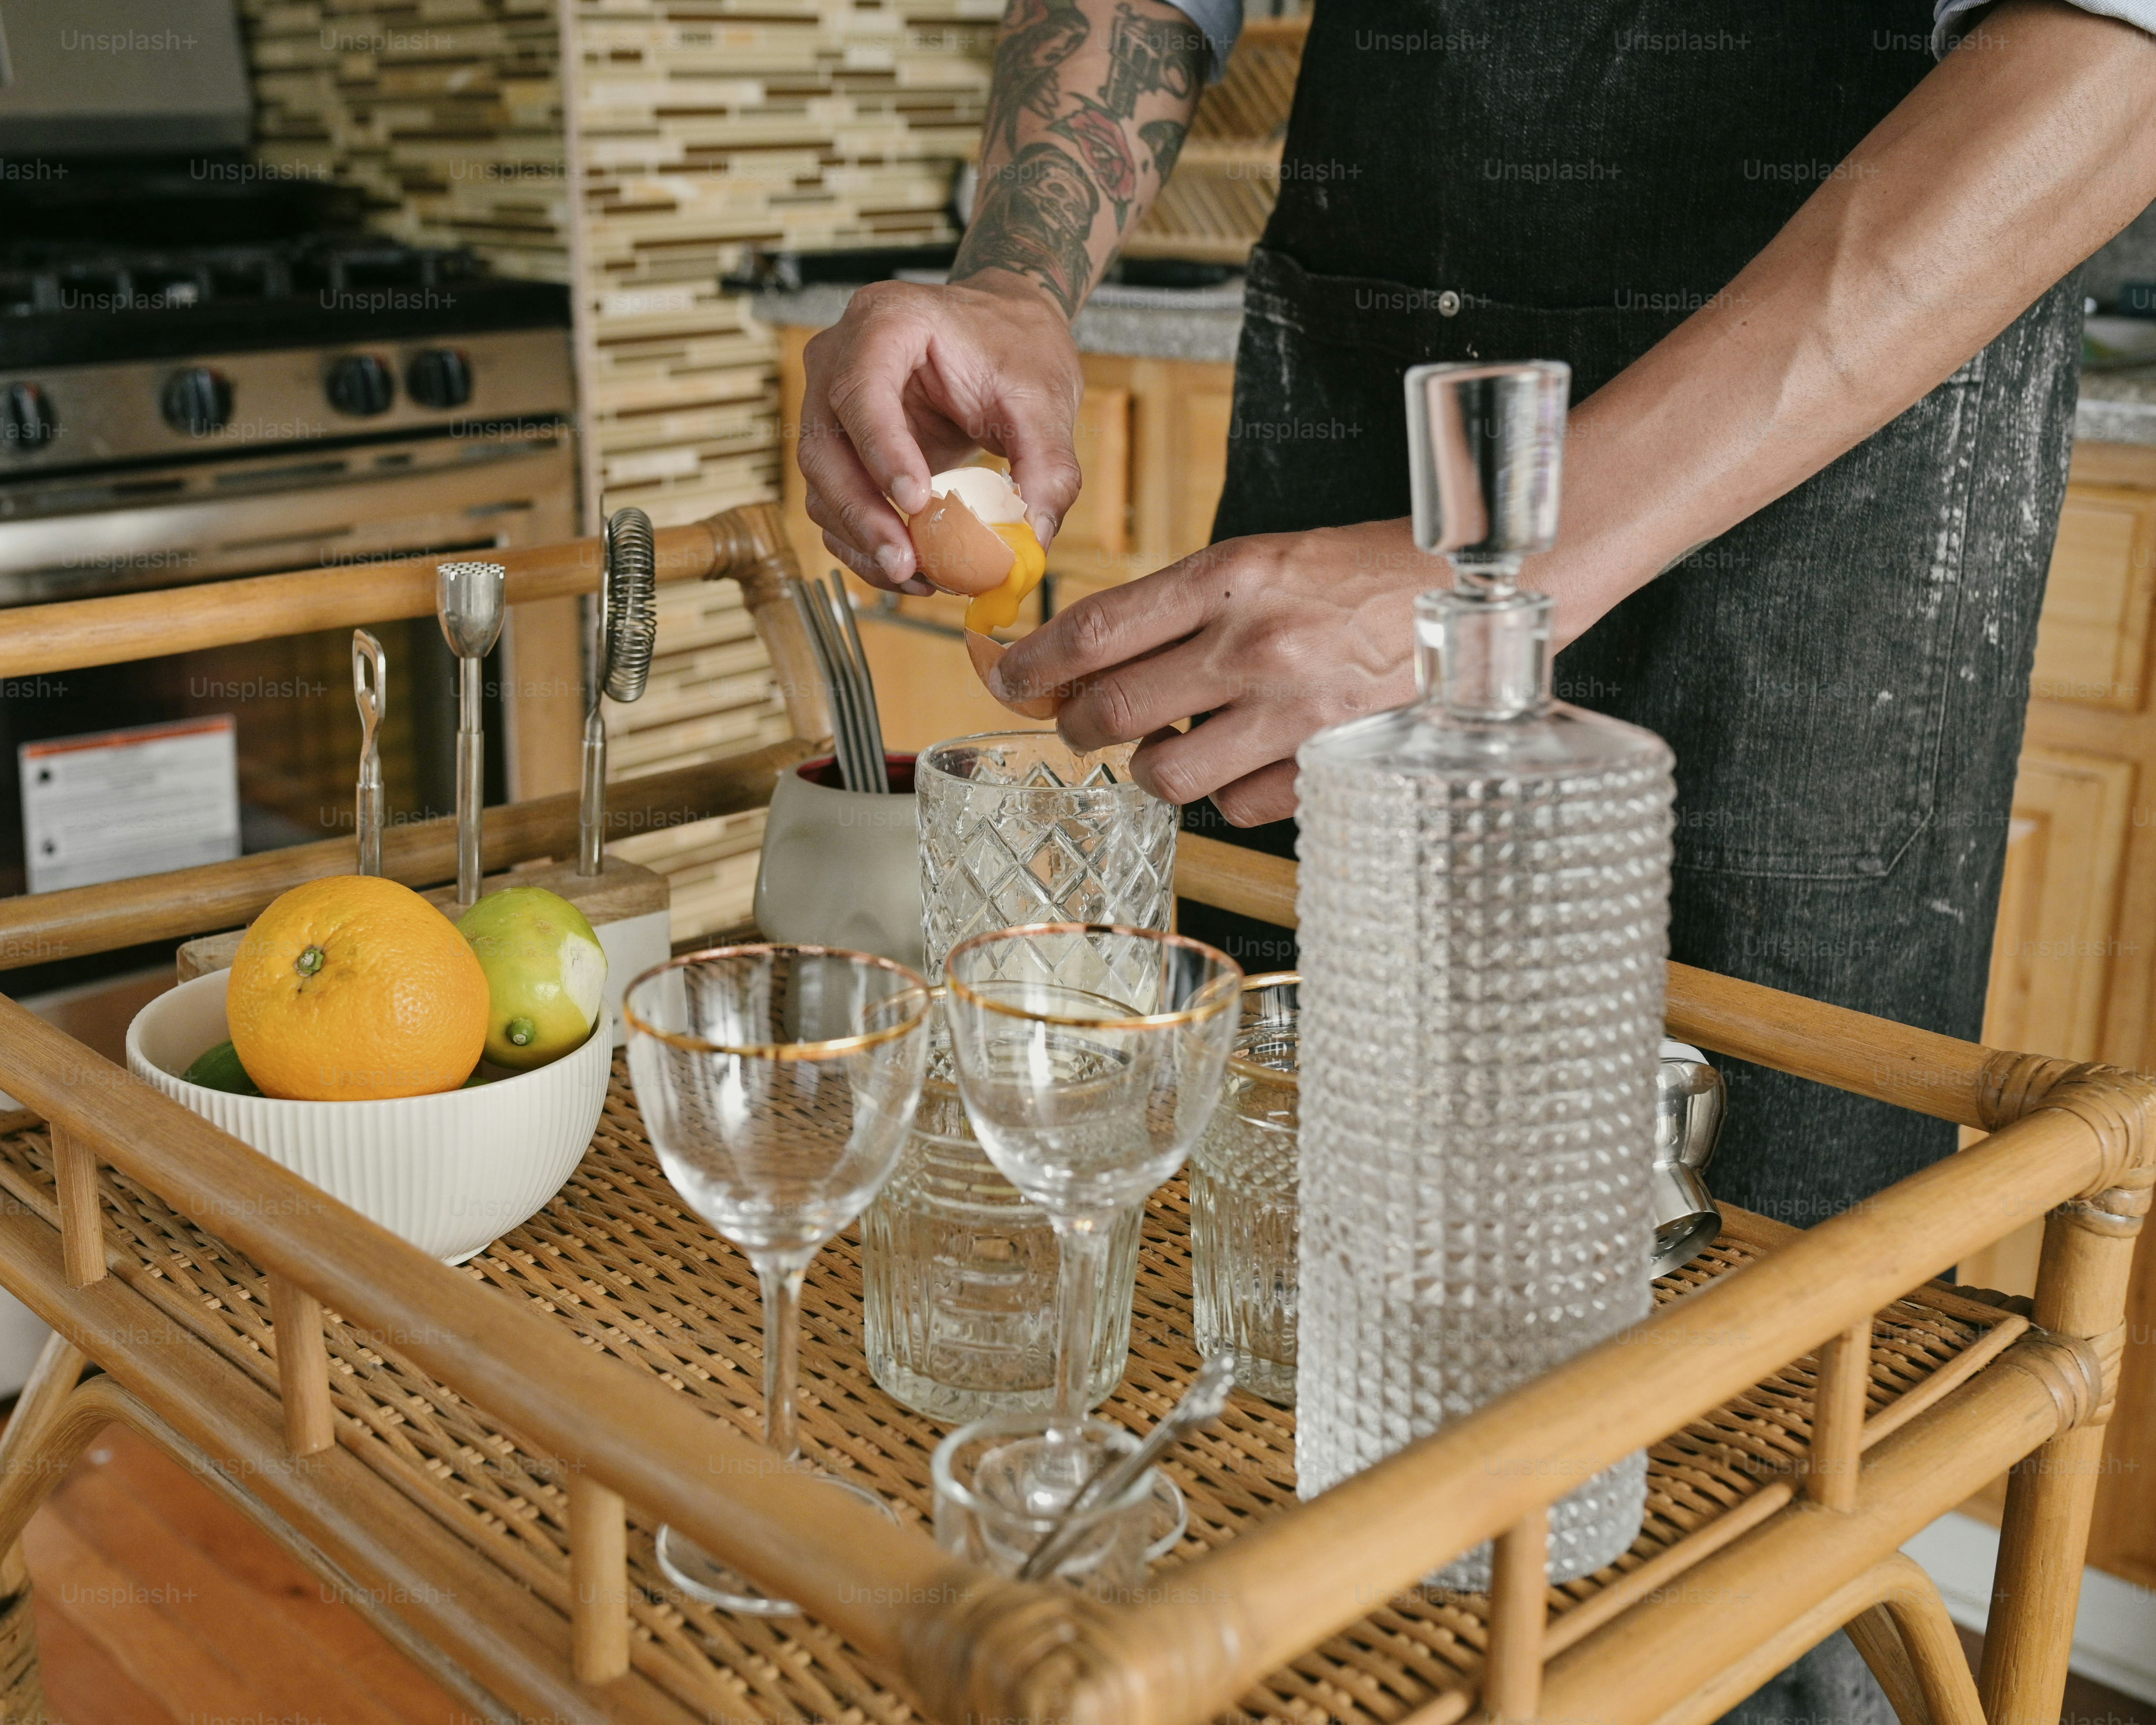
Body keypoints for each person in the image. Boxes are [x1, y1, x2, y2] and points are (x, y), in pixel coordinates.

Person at [798, 4, 2156, 1719]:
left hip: (1832, 504)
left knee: (1735, 1448)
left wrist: (1487, 575)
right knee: (1291, 1277)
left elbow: (2118, 55)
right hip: (1369, 386)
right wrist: (1014, 272)